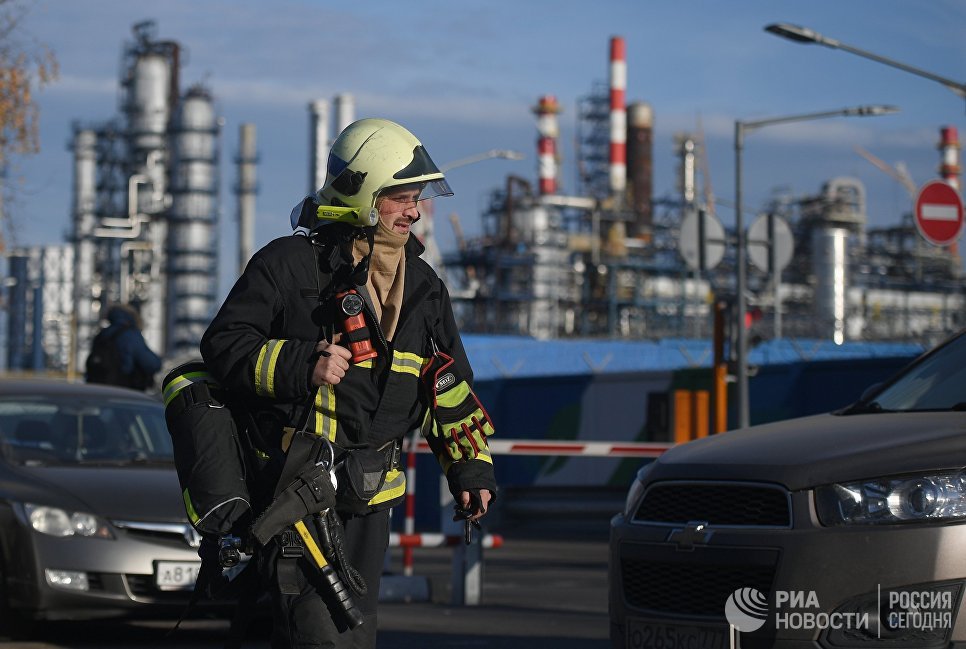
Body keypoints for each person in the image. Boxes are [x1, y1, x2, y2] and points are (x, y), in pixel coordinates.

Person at [200, 118, 497, 649]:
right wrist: (300, 364)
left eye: (418, 198)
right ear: (363, 196)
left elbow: (448, 385)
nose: (414, 210)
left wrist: (470, 469)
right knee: (317, 635)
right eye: (401, 197)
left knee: (355, 635)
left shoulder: (425, 288)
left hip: (369, 501)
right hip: (294, 495)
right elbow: (224, 345)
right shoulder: (288, 266)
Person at [85, 303, 162, 391]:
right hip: (124, 390)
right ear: (133, 316)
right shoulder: (130, 335)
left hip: (100, 389)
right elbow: (151, 364)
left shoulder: (102, 335)